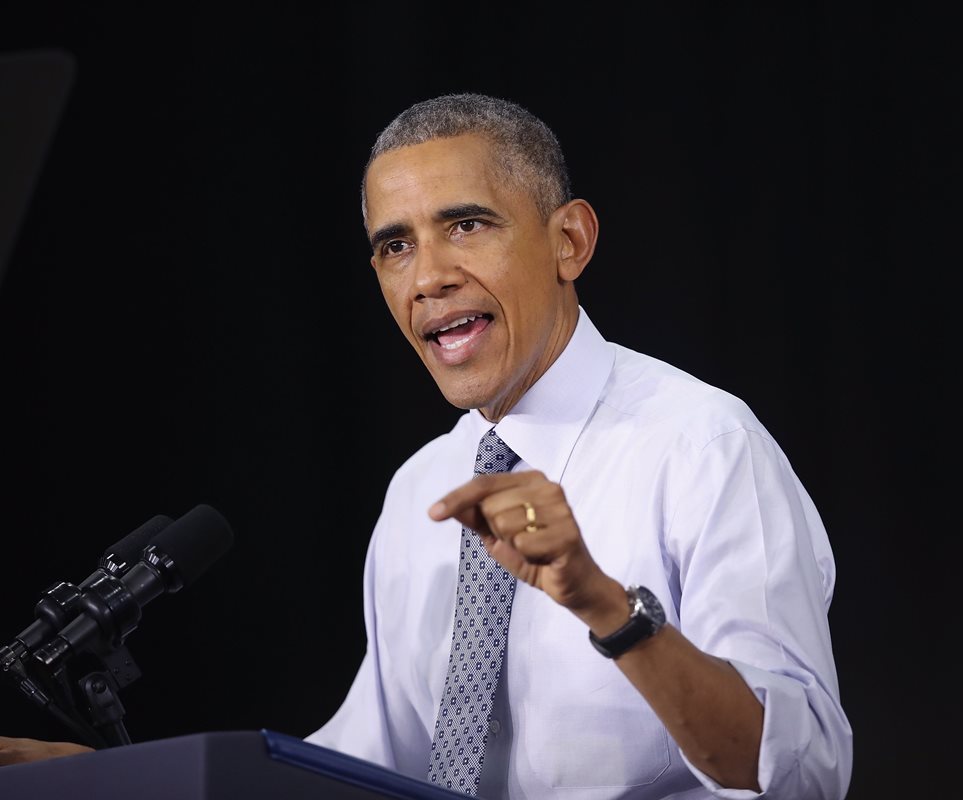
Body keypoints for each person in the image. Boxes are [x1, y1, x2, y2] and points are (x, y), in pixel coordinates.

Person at [2, 92, 853, 799]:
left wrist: (604, 605)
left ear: (570, 241)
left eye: (468, 224)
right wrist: (132, 780)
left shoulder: (702, 443)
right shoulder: (424, 485)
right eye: (395, 246)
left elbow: (802, 768)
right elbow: (374, 768)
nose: (427, 275)